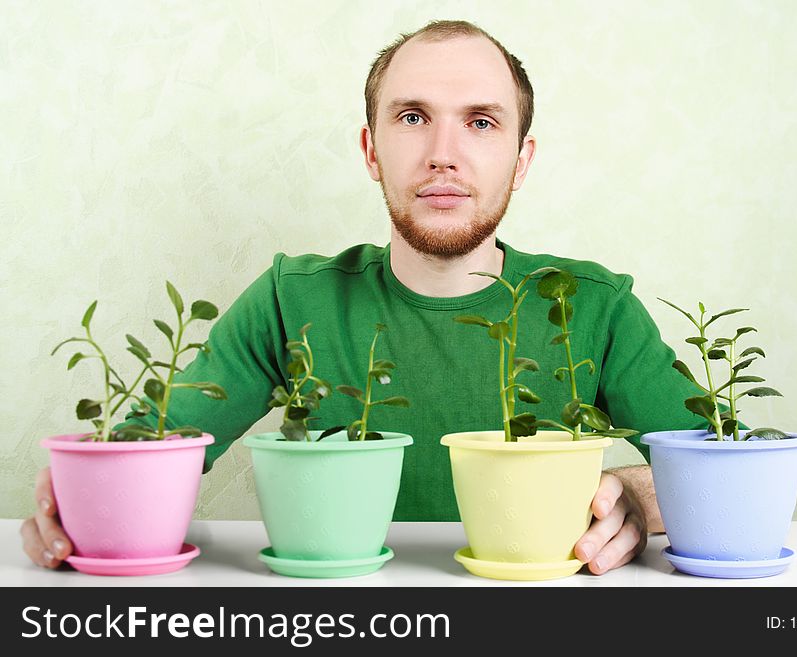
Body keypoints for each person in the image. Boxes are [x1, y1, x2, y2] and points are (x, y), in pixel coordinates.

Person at [21, 19, 710, 575]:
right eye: (413, 117)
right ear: (371, 149)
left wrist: (637, 494)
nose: (444, 152)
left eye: (481, 123)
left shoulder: (593, 305)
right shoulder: (294, 298)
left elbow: (726, 470)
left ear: (521, 159)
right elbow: (153, 446)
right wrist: (78, 499)